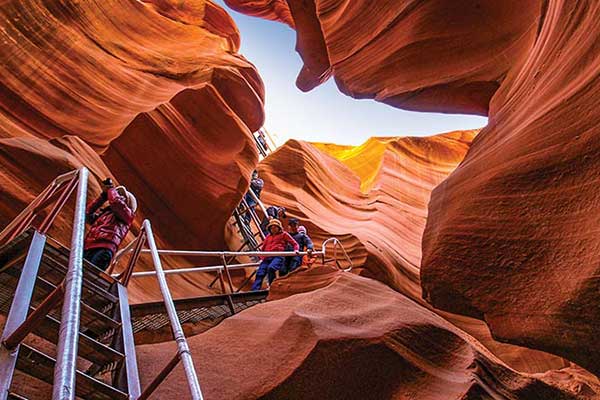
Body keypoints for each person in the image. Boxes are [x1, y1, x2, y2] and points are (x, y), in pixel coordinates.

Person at [83, 178, 137, 269]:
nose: (117, 196)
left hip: (104, 249)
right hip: (89, 247)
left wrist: (111, 189)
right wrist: (103, 197)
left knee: (88, 275)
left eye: (122, 196)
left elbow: (116, 202)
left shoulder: (128, 215)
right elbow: (86, 214)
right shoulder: (106, 214)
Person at [251, 219, 298, 291]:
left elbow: (294, 244)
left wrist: (296, 250)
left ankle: (271, 287)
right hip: (267, 257)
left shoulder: (284, 234)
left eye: (275, 227)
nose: (273, 229)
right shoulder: (268, 237)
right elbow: (263, 247)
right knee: (260, 272)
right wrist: (262, 257)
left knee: (271, 268)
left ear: (279, 228)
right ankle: (254, 290)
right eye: (271, 227)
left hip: (278, 256)